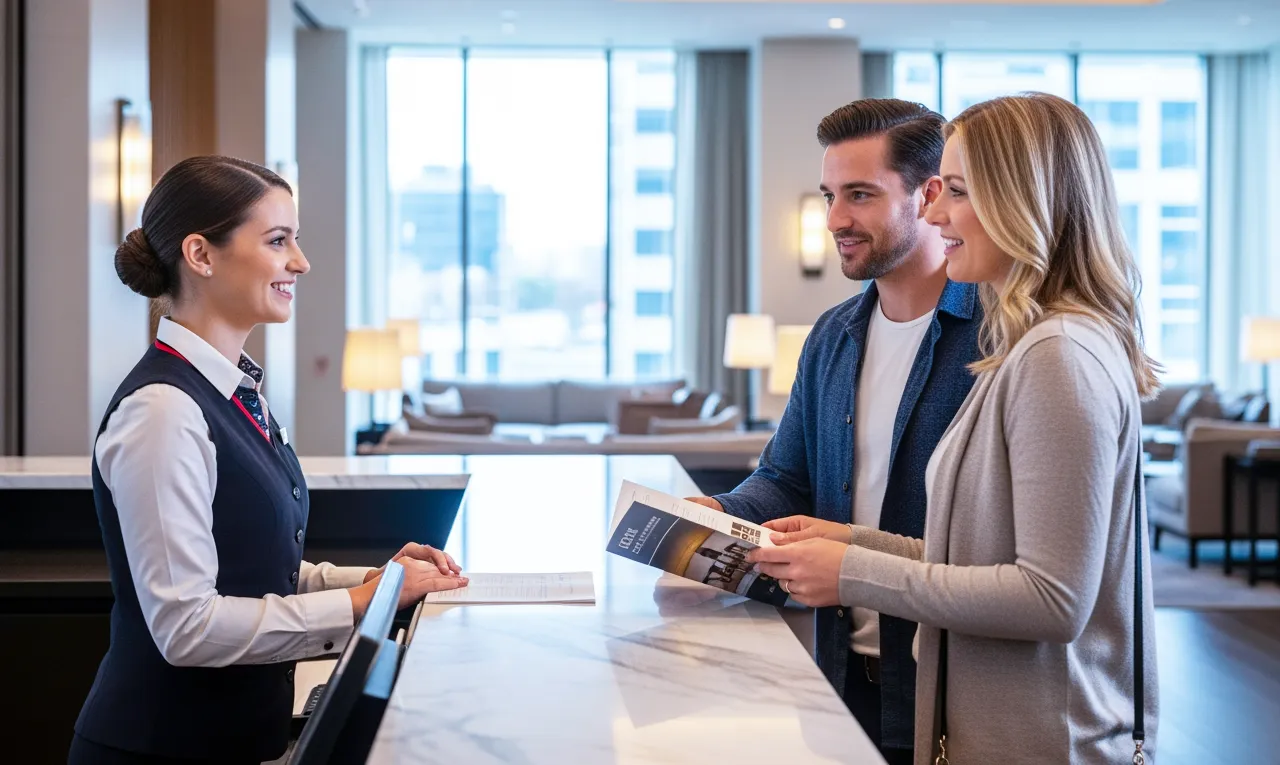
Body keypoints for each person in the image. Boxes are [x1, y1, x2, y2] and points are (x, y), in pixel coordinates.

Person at [749, 92, 1161, 764]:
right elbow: (973, 555)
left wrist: (852, 570)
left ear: (1023, 202)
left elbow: (1052, 598)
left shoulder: (1057, 354)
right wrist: (849, 539)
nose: (938, 213)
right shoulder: (1033, 347)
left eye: (958, 192)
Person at [69, 156, 470, 765]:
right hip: (158, 749)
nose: (300, 263)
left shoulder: (234, 391)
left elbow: (252, 568)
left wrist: (372, 580)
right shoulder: (162, 411)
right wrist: (360, 605)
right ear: (201, 255)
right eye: (278, 240)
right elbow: (186, 627)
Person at [686, 99, 983, 764]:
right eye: (830, 196)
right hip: (840, 680)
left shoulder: (997, 342)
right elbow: (785, 479)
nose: (835, 220)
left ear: (929, 195)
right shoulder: (832, 336)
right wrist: (717, 514)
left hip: (954, 696)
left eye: (860, 195)